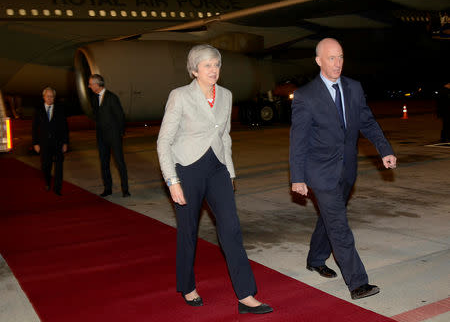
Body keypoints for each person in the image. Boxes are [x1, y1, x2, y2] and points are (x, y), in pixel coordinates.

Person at [157, 44, 273, 314]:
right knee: (188, 232)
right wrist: (172, 180)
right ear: (194, 69)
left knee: (232, 229)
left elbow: (225, 137)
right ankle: (186, 286)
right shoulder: (180, 96)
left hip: (217, 169)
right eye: (207, 65)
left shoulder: (226, 95)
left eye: (216, 65)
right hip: (187, 169)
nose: (213, 70)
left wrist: (230, 172)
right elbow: (164, 141)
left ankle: (246, 295)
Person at [289, 38, 397, 300]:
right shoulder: (306, 96)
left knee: (329, 218)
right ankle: (357, 283)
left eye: (340, 57)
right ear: (319, 61)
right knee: (339, 225)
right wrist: (298, 177)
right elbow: (298, 140)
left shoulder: (354, 88)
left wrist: (385, 149)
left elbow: (367, 122)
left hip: (347, 170)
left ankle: (315, 259)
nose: (337, 64)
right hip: (320, 172)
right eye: (331, 58)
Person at [88, 74, 130, 198]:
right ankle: (108, 188)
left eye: (90, 84)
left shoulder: (112, 97)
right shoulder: (94, 98)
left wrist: (119, 134)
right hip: (101, 137)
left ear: (97, 85)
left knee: (119, 163)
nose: (89, 86)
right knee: (104, 163)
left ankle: (125, 189)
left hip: (114, 136)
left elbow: (120, 116)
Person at [32, 87, 69, 195]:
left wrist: (65, 143)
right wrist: (35, 143)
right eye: (48, 96)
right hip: (44, 144)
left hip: (58, 143)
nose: (50, 98)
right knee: (46, 166)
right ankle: (47, 182)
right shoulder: (38, 110)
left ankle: (57, 188)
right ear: (43, 97)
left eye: (52, 96)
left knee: (59, 167)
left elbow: (65, 128)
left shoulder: (60, 109)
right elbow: (34, 128)